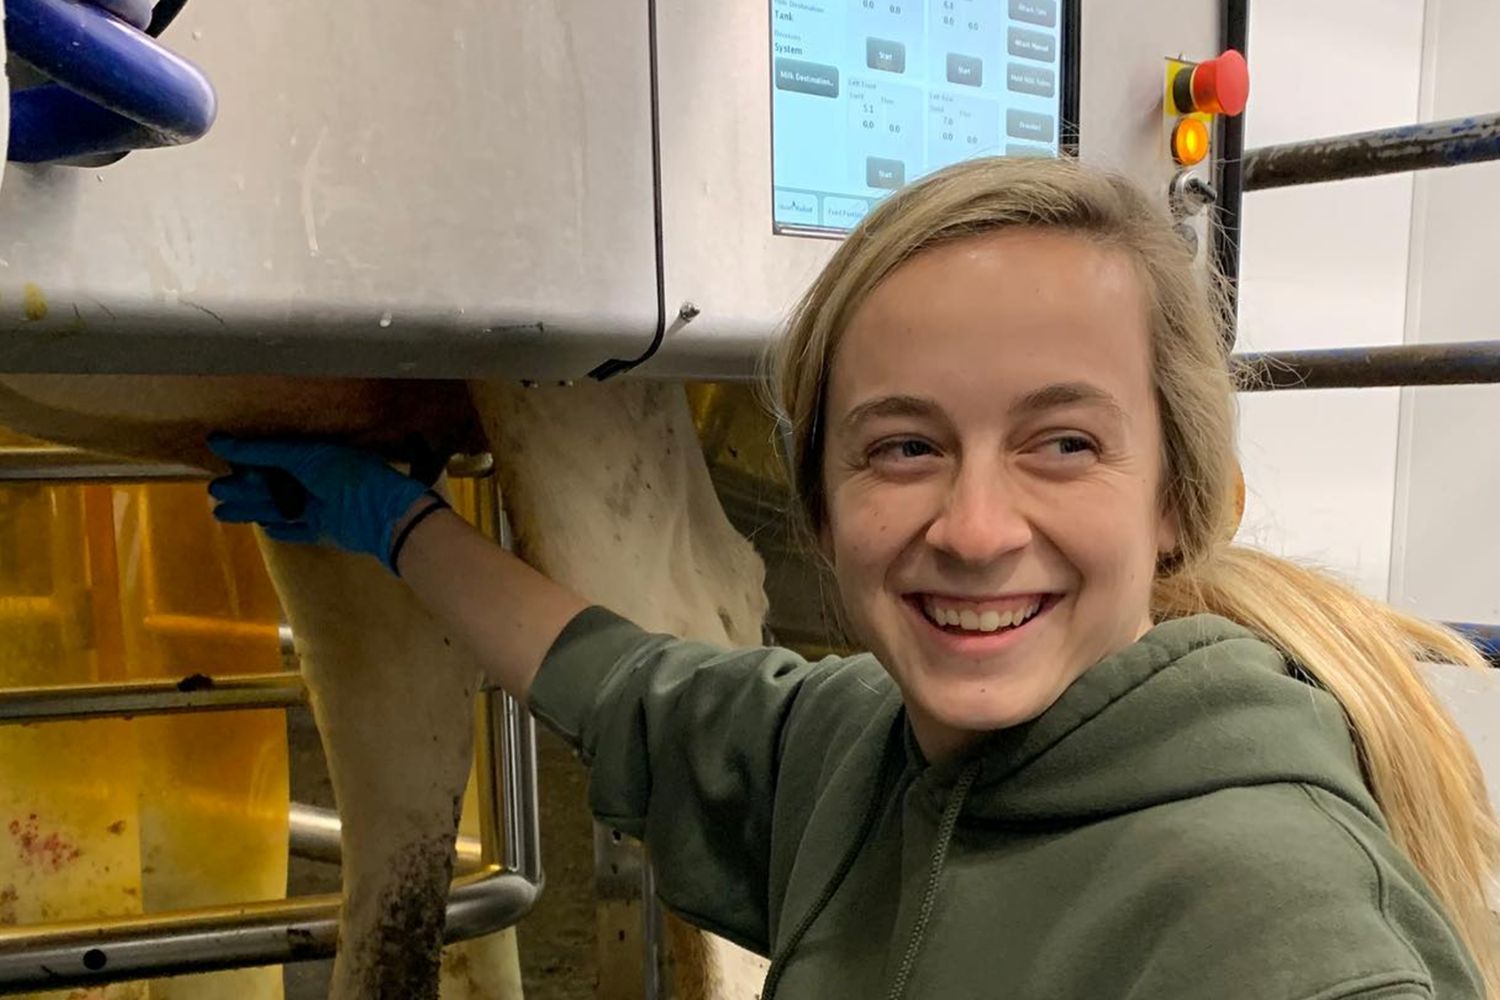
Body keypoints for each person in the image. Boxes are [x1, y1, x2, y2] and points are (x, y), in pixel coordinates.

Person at [207, 156, 1498, 999]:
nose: (979, 526)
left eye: (1062, 443)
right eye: (904, 446)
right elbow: (627, 685)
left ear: (1184, 505)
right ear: (821, 511)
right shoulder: (859, 757)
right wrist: (396, 527)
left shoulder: (1272, 926)